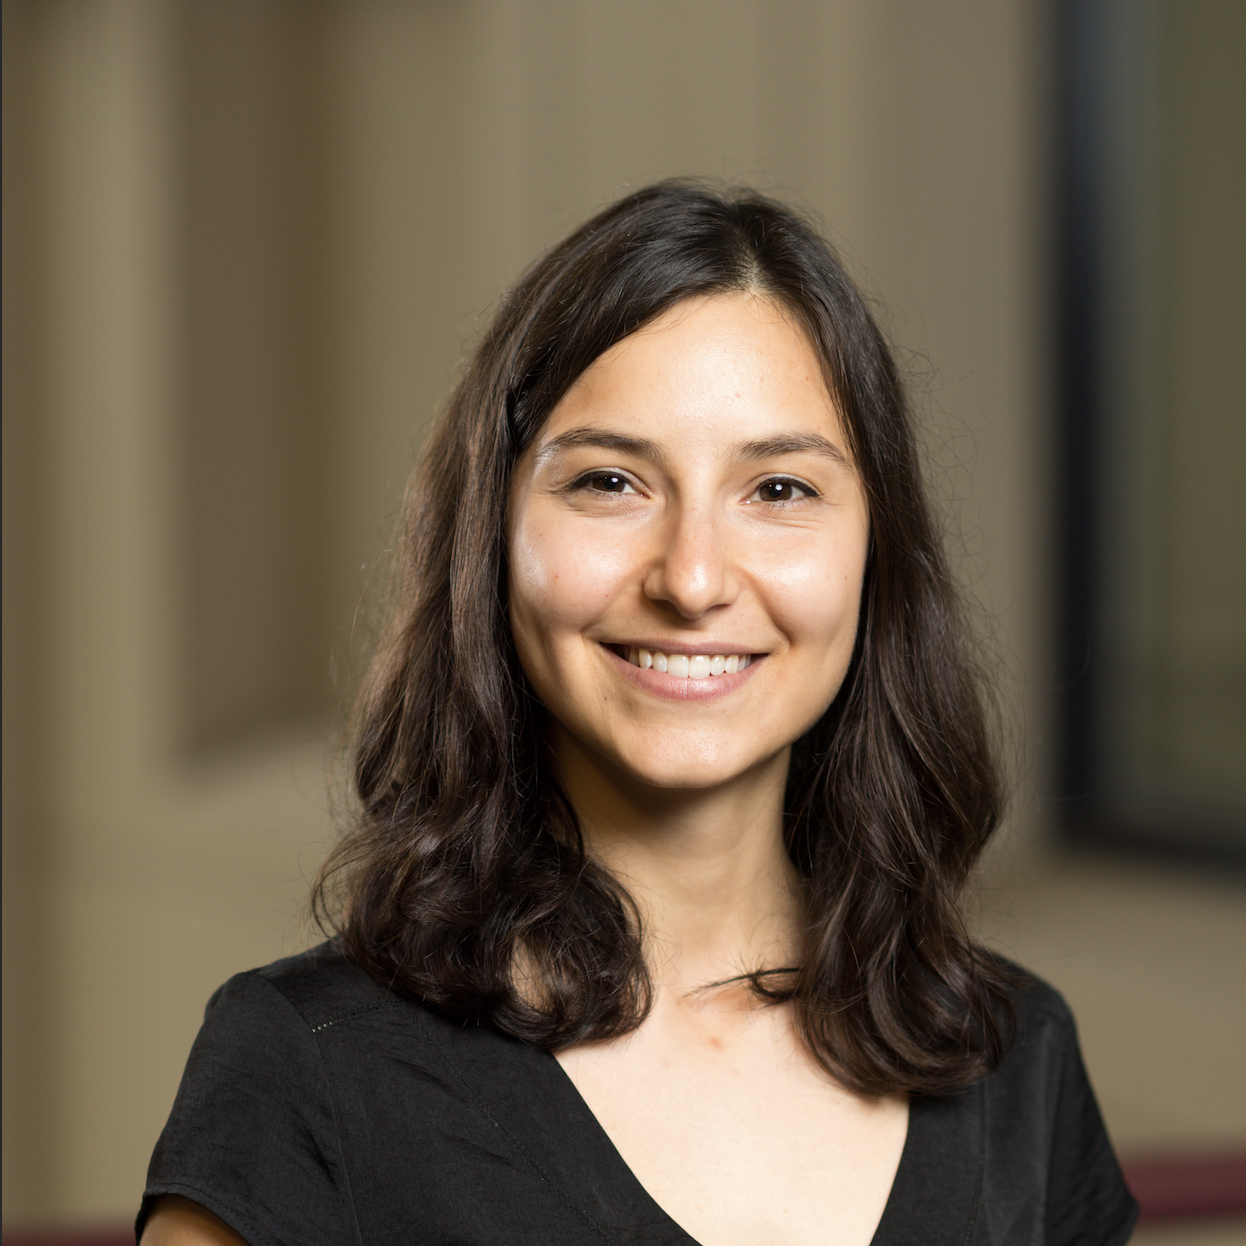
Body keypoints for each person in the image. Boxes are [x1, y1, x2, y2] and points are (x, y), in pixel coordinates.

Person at [138, 181, 1138, 1246]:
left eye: (780, 490)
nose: (695, 577)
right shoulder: (308, 1064)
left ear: (874, 555)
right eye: (612, 482)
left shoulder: (1012, 1055)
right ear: (494, 539)